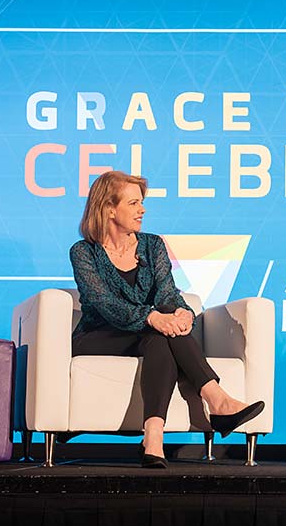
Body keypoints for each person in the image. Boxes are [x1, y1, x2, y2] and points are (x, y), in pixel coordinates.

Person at [69, 170, 264, 468]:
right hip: (98, 336)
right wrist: (152, 317)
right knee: (158, 333)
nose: (142, 210)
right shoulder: (84, 252)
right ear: (109, 208)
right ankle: (218, 400)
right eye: (134, 203)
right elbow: (104, 304)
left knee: (161, 339)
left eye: (141, 203)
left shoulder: (152, 245)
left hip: (147, 336)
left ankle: (154, 438)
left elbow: (167, 291)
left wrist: (180, 311)